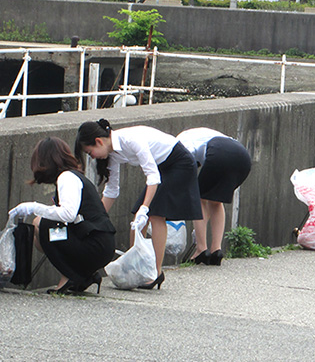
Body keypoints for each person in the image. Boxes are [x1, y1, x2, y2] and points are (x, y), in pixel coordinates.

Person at [75, 119, 203, 289]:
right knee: (138, 218)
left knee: (155, 214)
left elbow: (152, 177)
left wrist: (145, 208)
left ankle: (155, 273)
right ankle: (137, 267)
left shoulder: (131, 140)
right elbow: (112, 191)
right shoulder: (112, 153)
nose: (92, 157)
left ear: (98, 141)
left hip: (179, 163)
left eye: (90, 152)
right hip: (161, 167)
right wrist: (94, 219)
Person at [8, 137, 117, 295]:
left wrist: (34, 207)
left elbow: (67, 214)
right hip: (99, 243)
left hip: (95, 245)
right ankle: (84, 275)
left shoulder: (67, 178)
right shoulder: (73, 176)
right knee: (44, 228)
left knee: (41, 224)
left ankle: (69, 278)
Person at [176, 127, 252, 266]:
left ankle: (201, 249)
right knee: (216, 201)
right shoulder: (201, 134)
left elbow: (186, 165)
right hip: (242, 157)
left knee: (199, 198)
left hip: (219, 153)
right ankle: (216, 250)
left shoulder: (180, 142)